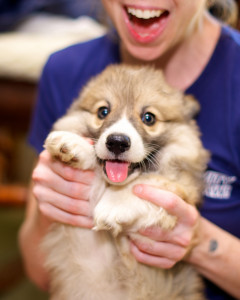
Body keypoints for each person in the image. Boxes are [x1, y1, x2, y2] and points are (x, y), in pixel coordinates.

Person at [18, 0, 240, 299]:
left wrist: (198, 243)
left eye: (148, 119)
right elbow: (42, 274)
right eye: (102, 111)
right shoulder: (65, 71)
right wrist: (58, 203)